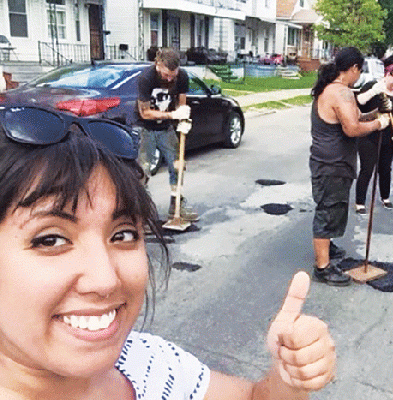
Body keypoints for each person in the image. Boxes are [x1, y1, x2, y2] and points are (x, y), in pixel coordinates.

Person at [0, 105, 336, 399]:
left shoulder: (147, 364)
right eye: (51, 240)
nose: (105, 281)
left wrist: (288, 382)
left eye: (123, 234)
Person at [309, 47, 390, 286]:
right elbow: (352, 129)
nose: (359, 75)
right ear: (353, 68)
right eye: (359, 70)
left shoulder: (336, 90)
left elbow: (352, 119)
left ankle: (328, 247)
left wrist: (377, 114)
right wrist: (377, 125)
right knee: (328, 209)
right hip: (331, 163)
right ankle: (322, 267)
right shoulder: (340, 93)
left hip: (334, 162)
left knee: (334, 207)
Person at [136, 47, 199, 222]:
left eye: (173, 74)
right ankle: (141, 212)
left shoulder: (182, 76)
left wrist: (183, 118)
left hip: (167, 129)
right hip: (145, 128)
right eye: (166, 75)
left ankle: (177, 205)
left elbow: (181, 104)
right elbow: (145, 113)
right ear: (157, 65)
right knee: (143, 170)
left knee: (177, 165)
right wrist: (172, 115)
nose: (170, 78)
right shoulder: (146, 78)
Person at [354, 55, 393, 214]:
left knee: (385, 169)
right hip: (369, 136)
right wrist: (373, 92)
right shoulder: (372, 86)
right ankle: (360, 202)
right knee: (367, 168)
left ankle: (385, 197)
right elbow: (359, 102)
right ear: (387, 73)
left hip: (390, 137)